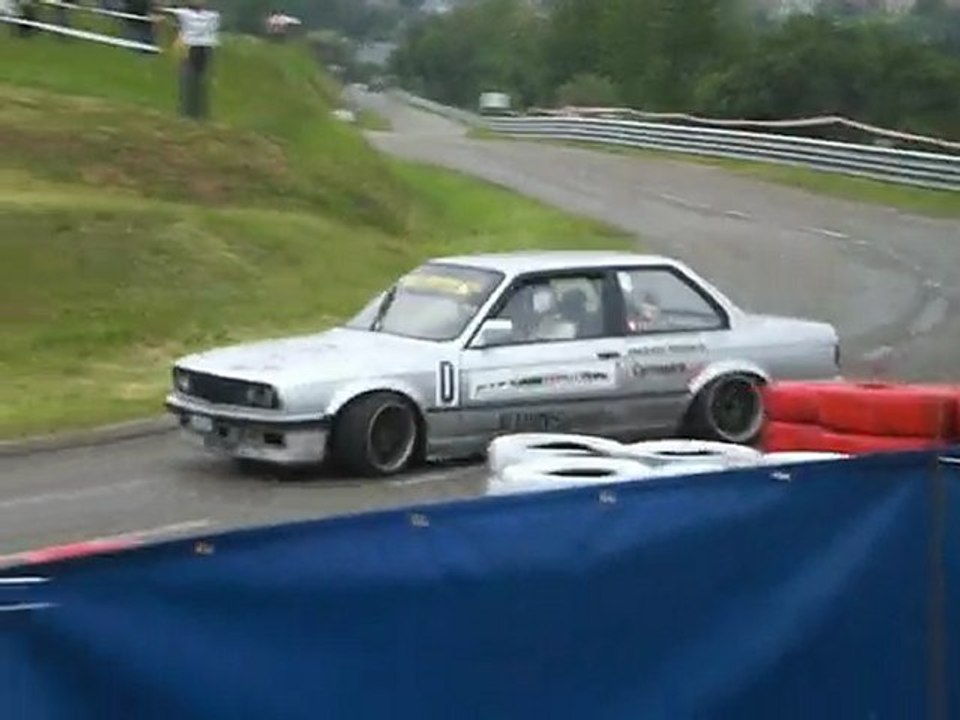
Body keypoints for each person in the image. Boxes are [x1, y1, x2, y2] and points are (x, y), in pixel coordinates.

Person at [164, 0, 219, 119]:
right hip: (204, 47)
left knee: (190, 79)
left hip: (193, 46)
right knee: (196, 80)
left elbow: (164, 11)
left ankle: (190, 111)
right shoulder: (213, 15)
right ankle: (196, 111)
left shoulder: (183, 13)